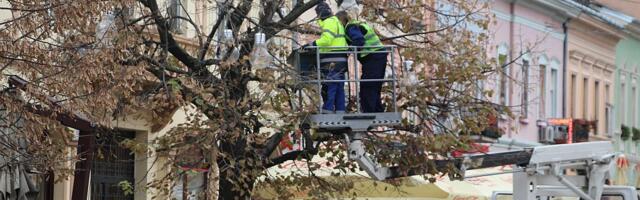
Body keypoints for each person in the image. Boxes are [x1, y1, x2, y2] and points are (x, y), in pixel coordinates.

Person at [336, 11, 388, 113]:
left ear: (341, 21)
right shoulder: (356, 24)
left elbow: (359, 40)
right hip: (377, 56)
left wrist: (349, 50)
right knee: (373, 85)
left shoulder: (350, 27)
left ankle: (370, 112)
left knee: (368, 86)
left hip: (373, 57)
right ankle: (377, 110)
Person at [305, 1, 349, 114]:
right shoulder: (336, 22)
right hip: (340, 58)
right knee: (338, 85)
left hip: (332, 58)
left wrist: (312, 45)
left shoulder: (329, 22)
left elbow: (327, 40)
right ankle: (340, 109)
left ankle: (328, 108)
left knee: (331, 84)